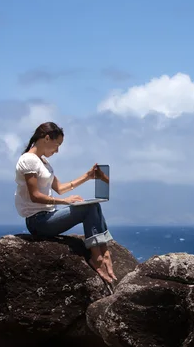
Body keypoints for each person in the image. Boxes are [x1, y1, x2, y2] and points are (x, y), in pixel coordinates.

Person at [14, 121, 117, 285]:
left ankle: (104, 253)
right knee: (88, 208)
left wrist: (88, 176)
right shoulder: (28, 160)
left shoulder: (43, 162)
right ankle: (97, 257)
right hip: (38, 221)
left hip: (48, 216)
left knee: (93, 205)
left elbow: (60, 188)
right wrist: (64, 202)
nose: (57, 150)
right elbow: (35, 196)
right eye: (57, 145)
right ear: (47, 138)